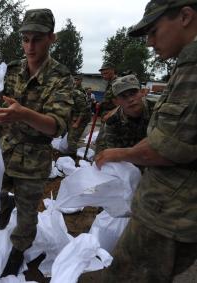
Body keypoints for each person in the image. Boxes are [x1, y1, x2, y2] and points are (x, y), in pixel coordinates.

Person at [95, 1, 197, 282]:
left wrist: (125, 154)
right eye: (123, 96)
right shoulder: (113, 122)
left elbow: (166, 146)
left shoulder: (191, 65)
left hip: (169, 206)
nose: (150, 43)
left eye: (154, 31)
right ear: (116, 100)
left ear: (186, 16)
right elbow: (103, 152)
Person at [0, 8, 73, 277]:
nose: (29, 46)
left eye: (37, 39)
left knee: (27, 215)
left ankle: (17, 250)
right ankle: (4, 211)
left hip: (34, 161)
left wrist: (23, 114)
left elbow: (56, 126)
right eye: (25, 39)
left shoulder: (61, 78)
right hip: (4, 152)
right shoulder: (11, 70)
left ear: (52, 38)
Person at [100, 74, 155, 151]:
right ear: (116, 102)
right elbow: (114, 152)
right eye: (123, 96)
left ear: (142, 93)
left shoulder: (158, 111)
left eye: (133, 93)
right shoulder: (113, 123)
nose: (130, 99)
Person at [94, 62, 117, 154]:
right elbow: (108, 98)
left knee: (102, 142)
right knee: (102, 141)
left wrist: (112, 112)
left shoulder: (117, 83)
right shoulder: (110, 83)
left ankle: (99, 161)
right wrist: (101, 103)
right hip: (107, 115)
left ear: (112, 71)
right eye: (102, 74)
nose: (103, 76)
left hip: (112, 115)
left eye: (106, 73)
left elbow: (121, 102)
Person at [66, 80, 92, 157]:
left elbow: (84, 110)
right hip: (75, 115)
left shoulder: (77, 95)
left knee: (72, 138)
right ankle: (70, 152)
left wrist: (77, 123)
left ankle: (72, 156)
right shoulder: (67, 93)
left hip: (83, 117)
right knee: (70, 136)